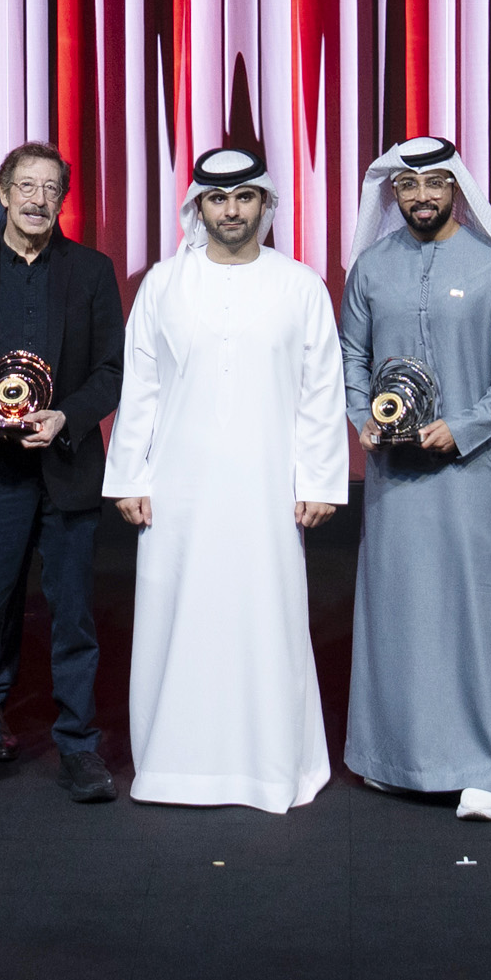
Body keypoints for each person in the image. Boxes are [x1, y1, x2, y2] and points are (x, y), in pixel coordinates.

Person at [105, 144, 348, 814]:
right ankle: (174, 766)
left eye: (244, 197)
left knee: (266, 618)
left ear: (265, 203)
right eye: (217, 198)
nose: (231, 210)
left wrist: (320, 480)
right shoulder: (164, 284)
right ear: (198, 206)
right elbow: (141, 385)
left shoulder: (299, 284)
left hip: (268, 489)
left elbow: (320, 390)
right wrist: (129, 475)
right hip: (177, 488)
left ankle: (269, 767)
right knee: (177, 618)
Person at [0, 143, 126, 808]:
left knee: (73, 617)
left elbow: (111, 370)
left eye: (50, 188)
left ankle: (78, 745)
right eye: (26, 186)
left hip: (63, 466)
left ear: (62, 199)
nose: (38, 199)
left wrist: (67, 417)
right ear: (3, 193)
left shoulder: (91, 271)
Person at [338, 137, 491, 819]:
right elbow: (351, 354)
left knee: (474, 616)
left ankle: (481, 768)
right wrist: (362, 417)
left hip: (471, 474)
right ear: (392, 192)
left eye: (434, 184)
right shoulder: (371, 268)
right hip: (395, 479)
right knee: (396, 613)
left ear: (455, 188)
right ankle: (391, 758)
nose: (421, 197)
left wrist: (465, 425)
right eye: (408, 185)